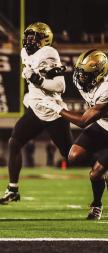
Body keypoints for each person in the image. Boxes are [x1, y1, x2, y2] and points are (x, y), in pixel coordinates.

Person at [0, 22, 73, 205]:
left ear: (44, 40)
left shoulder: (48, 53)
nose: (29, 40)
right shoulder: (25, 52)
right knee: (14, 142)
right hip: (37, 109)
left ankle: (101, 166)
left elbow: (60, 86)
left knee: (72, 156)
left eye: (34, 38)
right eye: (28, 37)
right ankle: (13, 189)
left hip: (53, 111)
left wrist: (37, 79)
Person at [39, 49, 108, 220]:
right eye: (81, 72)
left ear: (100, 74)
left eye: (86, 74)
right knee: (74, 156)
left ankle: (96, 204)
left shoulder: (106, 89)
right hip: (103, 125)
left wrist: (56, 107)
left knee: (96, 173)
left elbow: (84, 122)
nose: (81, 77)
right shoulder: (81, 80)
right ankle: (103, 166)